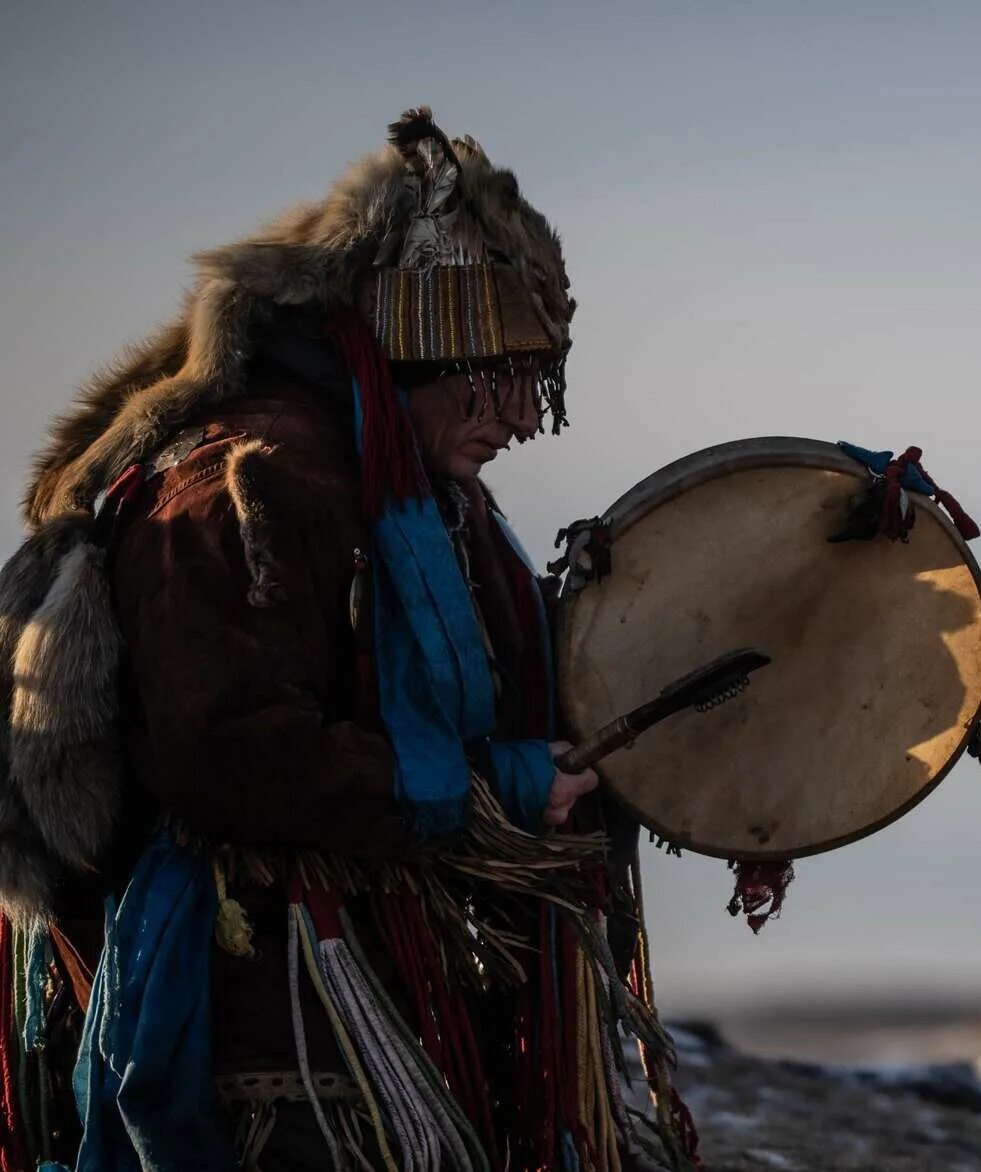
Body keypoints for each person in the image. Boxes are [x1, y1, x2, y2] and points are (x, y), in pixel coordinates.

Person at [0, 109, 699, 1170]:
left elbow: (525, 705)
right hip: (266, 1002)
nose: (521, 418)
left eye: (536, 384)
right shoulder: (244, 477)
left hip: (371, 989)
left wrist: (712, 780)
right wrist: (490, 790)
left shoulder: (419, 492)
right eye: (504, 377)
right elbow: (225, 749)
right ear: (425, 346)